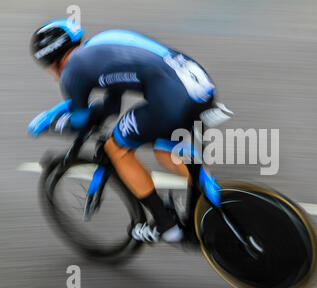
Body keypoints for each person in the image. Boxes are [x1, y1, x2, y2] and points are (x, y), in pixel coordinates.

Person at [28, 19, 228, 244]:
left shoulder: (72, 72)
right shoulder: (100, 46)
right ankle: (216, 199)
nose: (53, 76)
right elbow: (111, 107)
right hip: (198, 86)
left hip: (171, 98)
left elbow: (81, 124)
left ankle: (166, 226)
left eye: (48, 69)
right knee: (166, 152)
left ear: (52, 61)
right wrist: (61, 110)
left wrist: (51, 124)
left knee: (116, 149)